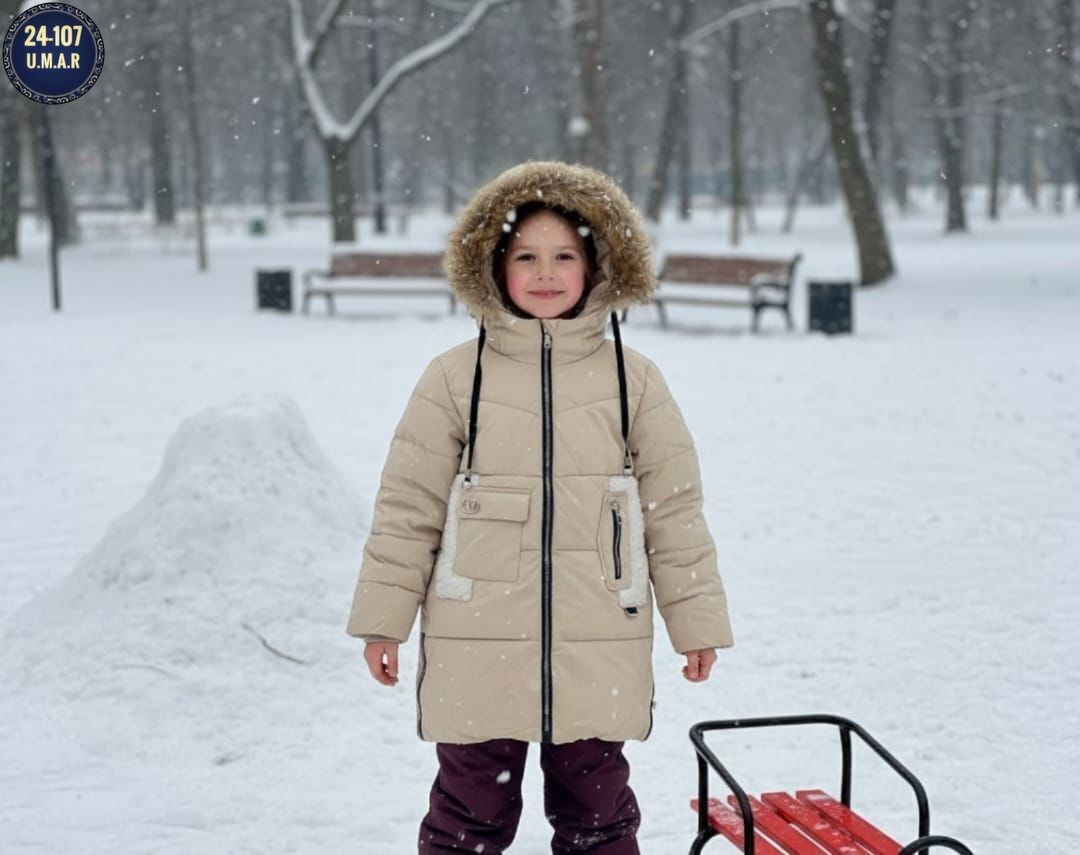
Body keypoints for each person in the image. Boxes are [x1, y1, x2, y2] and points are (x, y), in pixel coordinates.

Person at [346, 161, 734, 854]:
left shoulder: (633, 379)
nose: (546, 272)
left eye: (565, 256)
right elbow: (409, 507)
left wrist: (695, 620)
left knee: (598, 814)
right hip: (477, 635)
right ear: (494, 267)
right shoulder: (454, 377)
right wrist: (384, 620)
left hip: (597, 638)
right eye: (526, 256)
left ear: (598, 267)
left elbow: (674, 510)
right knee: (467, 814)